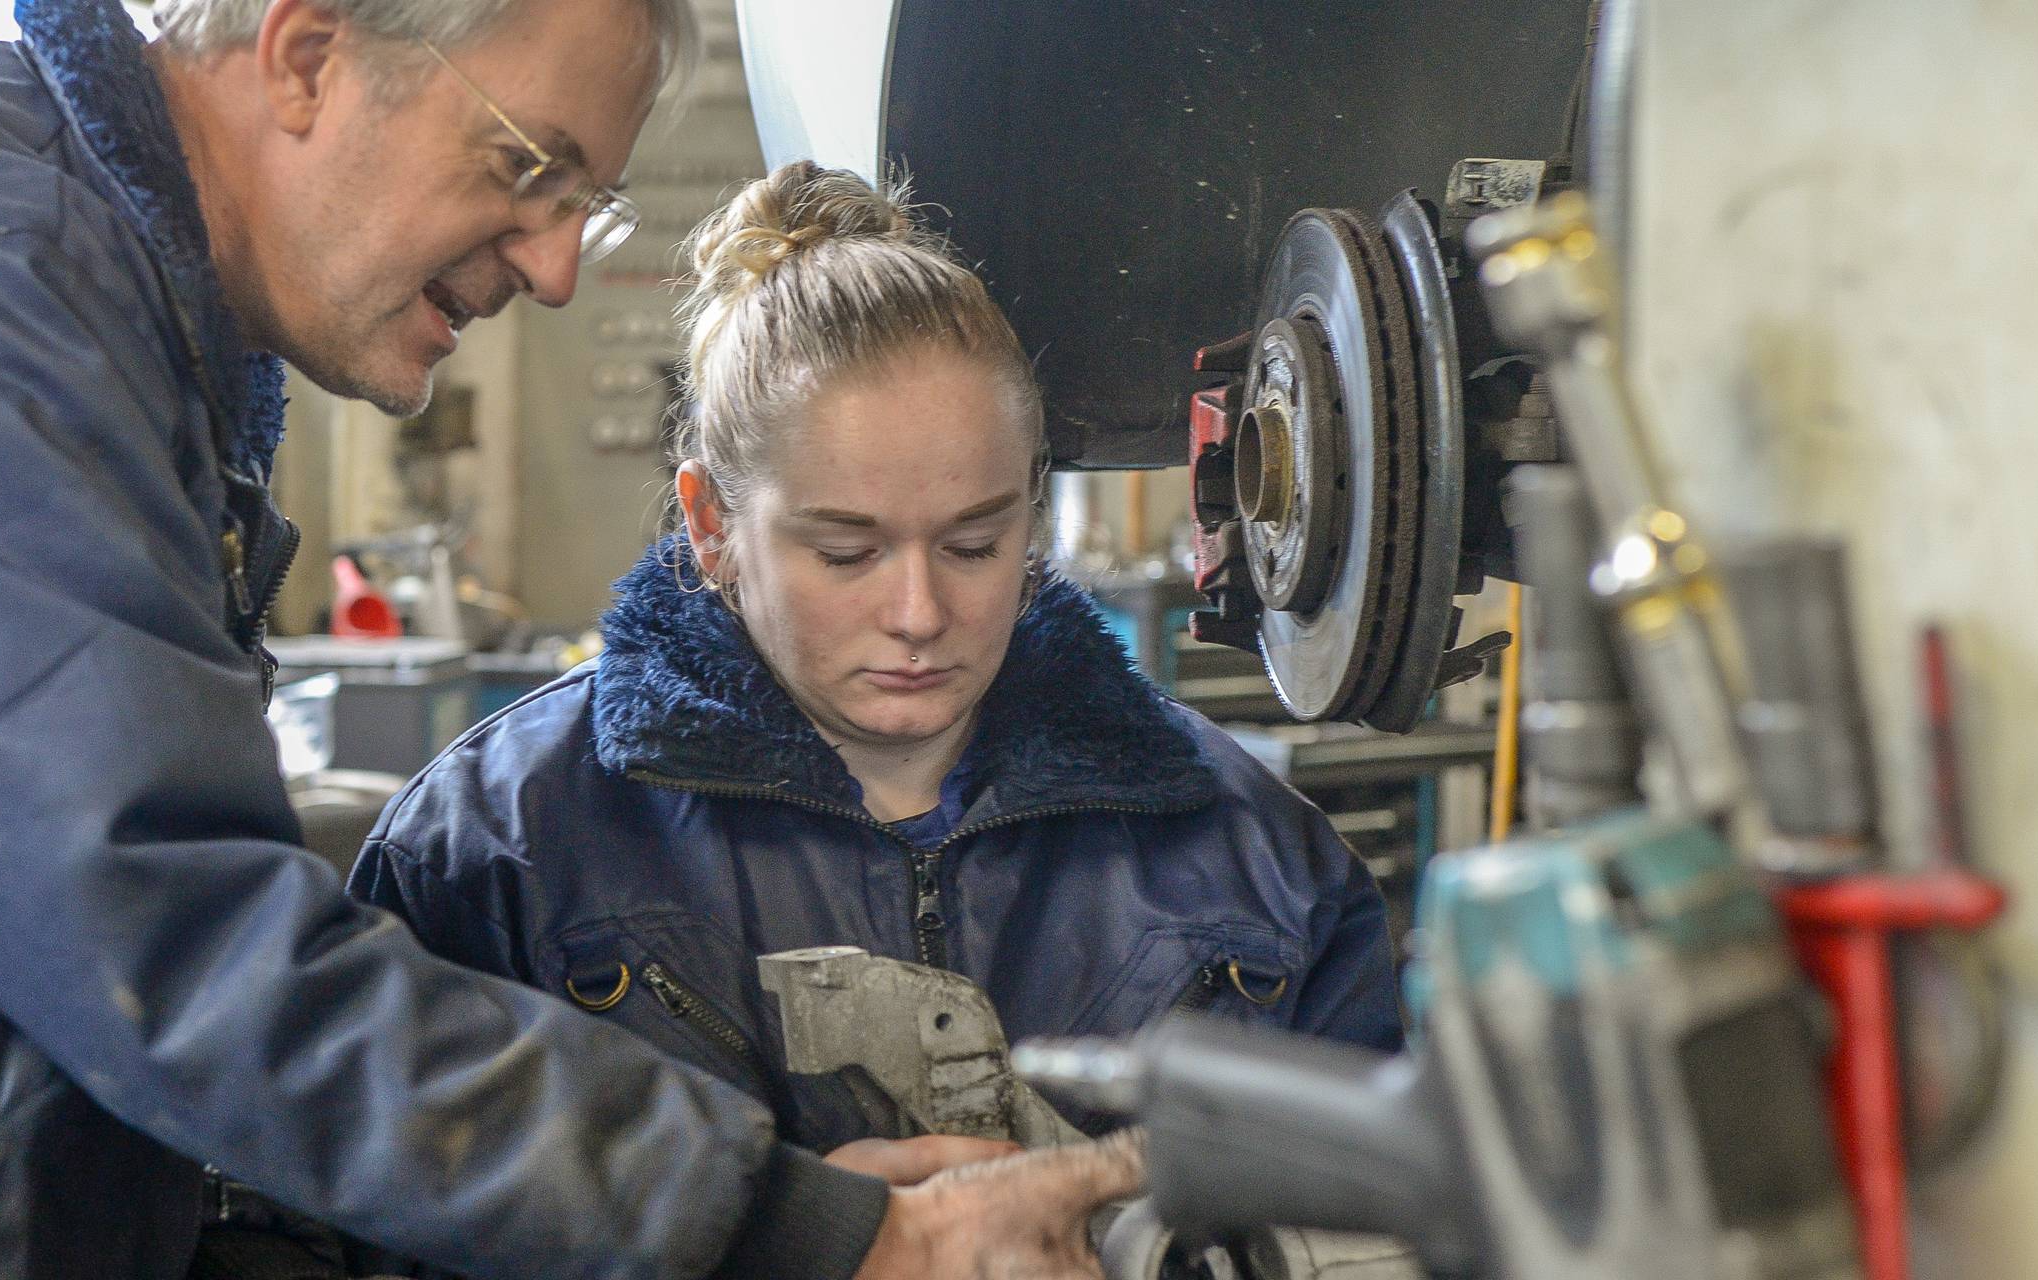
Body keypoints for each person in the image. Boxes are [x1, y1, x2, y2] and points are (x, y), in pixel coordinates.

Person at [0, 1, 1144, 1276]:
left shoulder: (92, 314)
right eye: (527, 164)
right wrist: (809, 1235)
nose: (558, 263)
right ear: (304, 53)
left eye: (582, 197)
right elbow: (180, 946)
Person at [349, 162, 1403, 1164]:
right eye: (845, 552)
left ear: (1031, 507)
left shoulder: (1253, 859)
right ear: (711, 523)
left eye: (974, 544)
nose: (918, 612)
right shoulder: (499, 850)